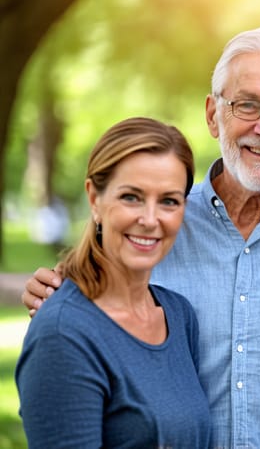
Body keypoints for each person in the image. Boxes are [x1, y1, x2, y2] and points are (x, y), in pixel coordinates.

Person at [22, 26, 260, 448]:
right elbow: (80, 311)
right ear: (212, 114)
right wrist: (58, 295)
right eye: (248, 105)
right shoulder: (155, 225)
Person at [16, 117, 211, 448]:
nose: (150, 220)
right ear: (94, 199)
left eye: (168, 201)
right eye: (131, 197)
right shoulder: (63, 333)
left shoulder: (178, 315)